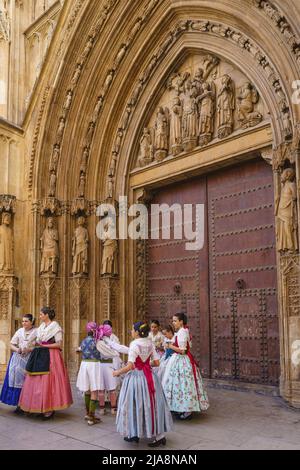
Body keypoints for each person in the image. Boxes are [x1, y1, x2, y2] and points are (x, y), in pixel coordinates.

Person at [113, 321, 173, 447]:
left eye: (132, 330)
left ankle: (134, 433)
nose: (131, 332)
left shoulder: (134, 344)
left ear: (136, 332)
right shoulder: (150, 343)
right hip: (150, 377)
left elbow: (130, 366)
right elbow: (157, 363)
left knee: (133, 404)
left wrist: (117, 372)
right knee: (152, 404)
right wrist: (145, 364)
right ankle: (159, 436)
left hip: (136, 378)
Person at [19, 307, 73, 419]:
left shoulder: (55, 327)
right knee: (37, 380)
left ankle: (49, 407)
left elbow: (58, 344)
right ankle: (37, 405)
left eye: (41, 314)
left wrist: (44, 346)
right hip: (40, 354)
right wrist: (30, 345)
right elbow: (36, 340)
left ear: (47, 315)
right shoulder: (41, 327)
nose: (39, 316)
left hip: (52, 355)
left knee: (50, 381)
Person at [162, 313, 209, 421]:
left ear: (181, 321)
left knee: (182, 384)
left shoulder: (182, 332)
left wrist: (170, 346)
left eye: (175, 321)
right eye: (173, 321)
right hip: (180, 360)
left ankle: (186, 410)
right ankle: (181, 408)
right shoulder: (182, 331)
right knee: (181, 385)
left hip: (181, 360)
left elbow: (183, 350)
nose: (173, 323)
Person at [0, 315, 37, 411]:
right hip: (18, 359)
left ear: (31, 322)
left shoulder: (37, 332)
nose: (23, 323)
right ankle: (18, 404)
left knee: (28, 381)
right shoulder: (20, 331)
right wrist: (17, 349)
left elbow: (40, 346)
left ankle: (29, 404)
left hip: (30, 359)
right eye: (23, 321)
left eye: (26, 321)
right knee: (16, 379)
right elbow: (11, 344)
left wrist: (29, 349)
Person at [96, 323, 129, 416]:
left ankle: (108, 408)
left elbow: (117, 348)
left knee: (109, 387)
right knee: (107, 388)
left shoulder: (101, 340)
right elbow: (115, 351)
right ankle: (108, 409)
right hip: (106, 365)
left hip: (104, 365)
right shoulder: (101, 341)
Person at [76, 322, 103, 426]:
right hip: (94, 365)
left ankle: (87, 413)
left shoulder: (83, 341)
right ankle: (91, 417)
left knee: (87, 390)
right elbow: (105, 352)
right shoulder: (97, 341)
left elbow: (78, 350)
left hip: (84, 365)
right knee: (94, 390)